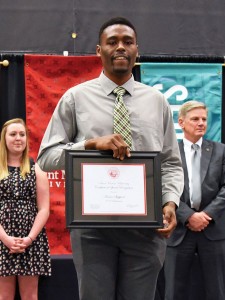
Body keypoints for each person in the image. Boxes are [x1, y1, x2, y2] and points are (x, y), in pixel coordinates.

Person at [37, 17, 183, 300]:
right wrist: (89, 144)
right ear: (98, 50)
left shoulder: (157, 102)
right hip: (93, 230)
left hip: (146, 228)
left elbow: (170, 162)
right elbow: (46, 158)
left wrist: (170, 201)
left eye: (127, 42)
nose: (120, 47)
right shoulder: (75, 98)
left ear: (137, 51)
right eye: (112, 42)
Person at [164, 100, 225, 300]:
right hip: (179, 229)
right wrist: (188, 216)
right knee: (173, 291)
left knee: (217, 291)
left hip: (213, 230)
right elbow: (163, 188)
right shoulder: (169, 153)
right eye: (195, 119)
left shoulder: (221, 151)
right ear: (181, 122)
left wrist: (206, 215)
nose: (201, 123)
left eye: (204, 119)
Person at [0, 118, 51, 300]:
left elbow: (44, 209)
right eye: (13, 134)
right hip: (1, 239)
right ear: (4, 139)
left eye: (22, 134)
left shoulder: (37, 169)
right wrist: (5, 238)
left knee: (30, 296)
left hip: (30, 240)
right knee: (4, 296)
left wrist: (29, 239)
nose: (18, 138)